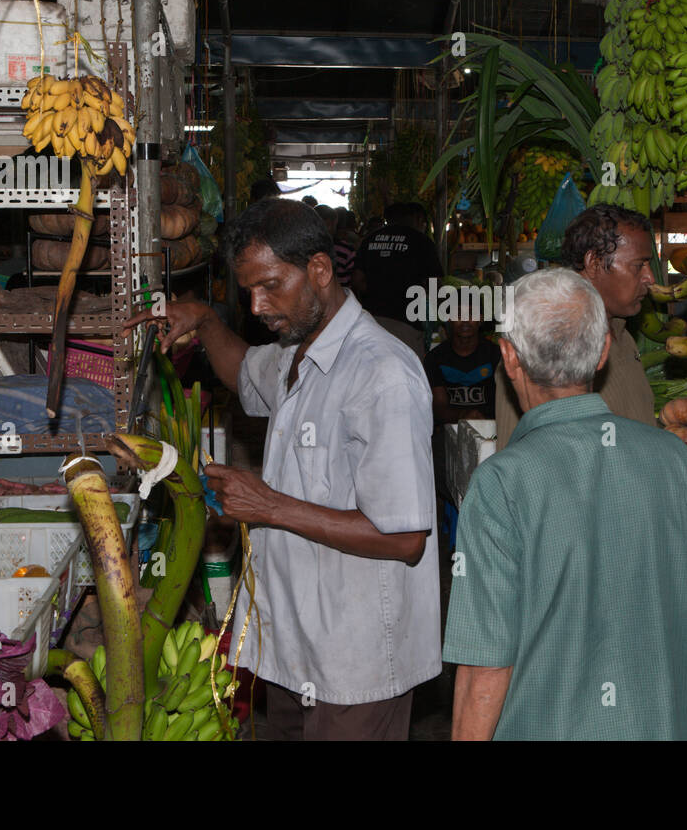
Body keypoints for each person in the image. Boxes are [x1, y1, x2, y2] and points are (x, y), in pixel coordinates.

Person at [123, 198, 440, 741]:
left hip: (355, 664)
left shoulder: (380, 373)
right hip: (291, 649)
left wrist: (269, 506)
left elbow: (406, 537)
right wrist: (201, 319)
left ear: (319, 269)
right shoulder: (296, 349)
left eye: (270, 285)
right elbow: (242, 369)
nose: (258, 304)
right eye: (247, 291)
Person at [443, 268, 687, 740]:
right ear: (603, 352)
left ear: (508, 357)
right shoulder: (673, 458)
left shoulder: (500, 484)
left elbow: (485, 668)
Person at [494, 203, 687, 477]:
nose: (650, 278)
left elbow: (635, 442)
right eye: (638, 265)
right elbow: (525, 471)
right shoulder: (541, 352)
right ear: (594, 262)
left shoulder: (622, 336)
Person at [352, 200, 443, 360]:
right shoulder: (420, 241)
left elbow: (358, 280)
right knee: (408, 374)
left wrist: (377, 292)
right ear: (415, 218)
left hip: (371, 320)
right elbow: (434, 284)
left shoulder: (370, 239)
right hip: (407, 322)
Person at [424, 313, 503, 424]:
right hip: (449, 431)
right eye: (459, 314)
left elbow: (505, 404)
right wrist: (463, 415)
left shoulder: (496, 354)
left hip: (494, 429)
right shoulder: (434, 358)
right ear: (449, 319)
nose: (465, 320)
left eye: (471, 314)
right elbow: (438, 408)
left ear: (480, 319)